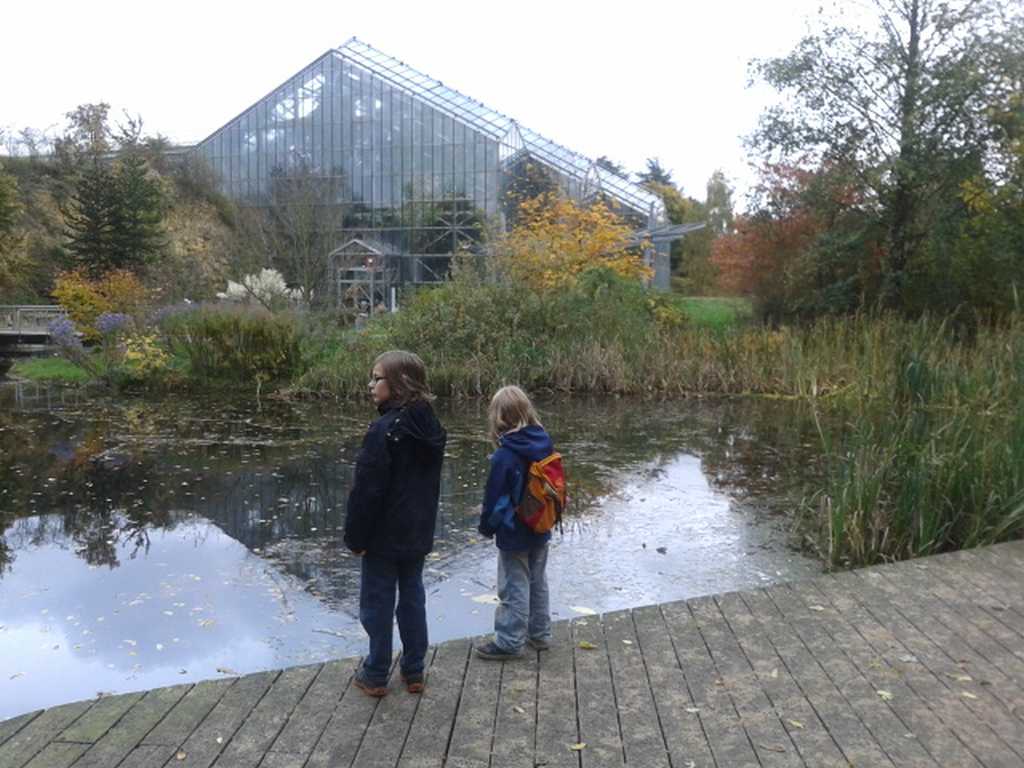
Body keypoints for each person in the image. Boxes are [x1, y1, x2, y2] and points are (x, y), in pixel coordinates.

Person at [344, 350, 447, 696]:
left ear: (399, 383)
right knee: (413, 597)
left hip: (383, 536)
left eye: (377, 378)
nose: (371, 385)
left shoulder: (383, 430)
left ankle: (374, 673)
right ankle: (414, 670)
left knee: (377, 603)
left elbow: (367, 492)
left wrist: (355, 537)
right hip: (417, 531)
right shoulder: (431, 427)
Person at [476, 385, 555, 660]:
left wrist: (486, 528)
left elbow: (496, 499)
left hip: (514, 531)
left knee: (513, 585)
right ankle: (540, 634)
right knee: (538, 581)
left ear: (498, 418)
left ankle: (509, 641)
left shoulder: (505, 455)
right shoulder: (545, 443)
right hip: (542, 525)